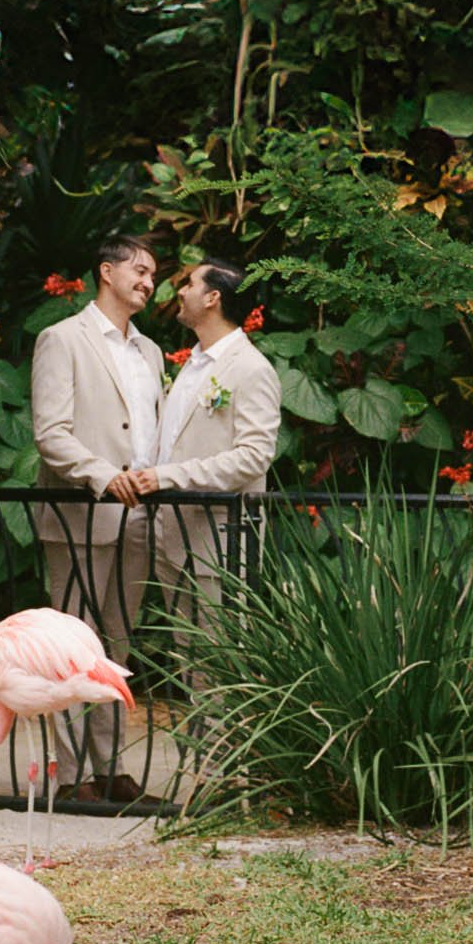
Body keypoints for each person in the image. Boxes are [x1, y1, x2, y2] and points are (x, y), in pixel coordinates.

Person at [29, 234, 163, 798]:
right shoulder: (62, 339)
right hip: (81, 512)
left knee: (117, 646)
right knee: (70, 647)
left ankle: (109, 771)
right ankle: (71, 776)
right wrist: (103, 475)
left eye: (154, 275)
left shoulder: (151, 352)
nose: (148, 282)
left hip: (140, 518)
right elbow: (50, 434)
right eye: (139, 269)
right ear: (105, 272)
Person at [135, 256, 282, 609]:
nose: (181, 292)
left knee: (221, 661)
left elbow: (253, 457)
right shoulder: (193, 364)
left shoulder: (251, 369)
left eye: (190, 285)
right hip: (172, 538)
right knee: (185, 658)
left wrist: (167, 477)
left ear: (212, 298)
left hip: (219, 546)